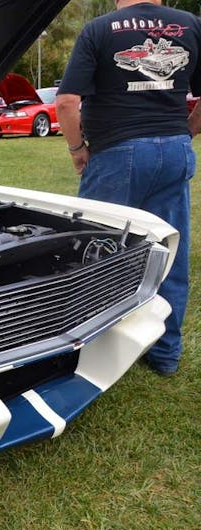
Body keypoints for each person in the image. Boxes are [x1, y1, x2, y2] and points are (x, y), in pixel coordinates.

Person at [55, 0, 201, 376]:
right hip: (174, 150)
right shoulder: (191, 24)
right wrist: (186, 131)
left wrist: (76, 149)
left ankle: (87, 349)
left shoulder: (100, 29)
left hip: (117, 152)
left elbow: (67, 102)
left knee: (97, 250)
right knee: (169, 251)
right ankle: (166, 354)